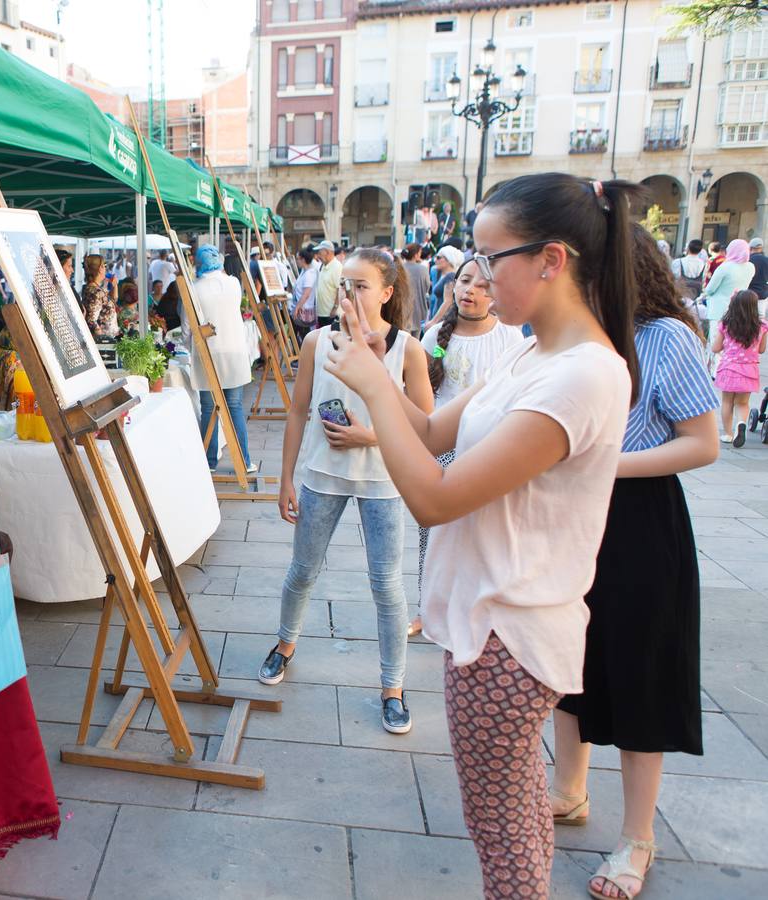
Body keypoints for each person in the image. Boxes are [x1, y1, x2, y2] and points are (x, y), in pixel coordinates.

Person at [322, 174, 637, 897]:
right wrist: (384, 365)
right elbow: (432, 430)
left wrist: (373, 385)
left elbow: (434, 497)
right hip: (491, 621)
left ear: (552, 260)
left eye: (493, 257)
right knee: (516, 820)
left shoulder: (582, 375)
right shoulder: (537, 354)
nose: (479, 275)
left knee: (503, 842)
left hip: (507, 636)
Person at [549, 226, 720, 900]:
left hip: (639, 517)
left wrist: (606, 464)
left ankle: (638, 836)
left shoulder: (664, 336)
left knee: (639, 672)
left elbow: (702, 443)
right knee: (567, 655)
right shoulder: (582, 337)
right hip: (577, 513)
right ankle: (568, 789)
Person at [260, 247, 434, 739]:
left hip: (382, 479)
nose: (351, 294)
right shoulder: (318, 341)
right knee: (302, 570)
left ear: (386, 292)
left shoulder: (408, 349)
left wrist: (371, 435)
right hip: (322, 475)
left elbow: (426, 427)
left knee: (386, 585)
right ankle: (285, 644)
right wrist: (286, 476)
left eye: (362, 286)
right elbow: (297, 412)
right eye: (345, 284)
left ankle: (392, 687)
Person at [409, 260, 525, 637]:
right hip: (442, 447)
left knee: (483, 533)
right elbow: (422, 398)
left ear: (496, 295)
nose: (469, 291)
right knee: (434, 533)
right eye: (463, 281)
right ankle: (428, 607)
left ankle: (478, 606)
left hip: (491, 450)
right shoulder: (433, 339)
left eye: (482, 285)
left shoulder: (511, 337)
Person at [189, 245, 256, 474]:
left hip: (209, 352)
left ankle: (210, 462)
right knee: (235, 406)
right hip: (234, 350)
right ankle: (244, 461)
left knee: (209, 407)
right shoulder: (233, 284)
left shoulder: (194, 288)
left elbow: (189, 326)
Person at [712, 289, 767, 447]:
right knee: (743, 403)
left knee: (727, 402)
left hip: (729, 368)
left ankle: (728, 434)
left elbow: (716, 348)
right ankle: (741, 424)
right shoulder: (761, 326)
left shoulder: (726, 324)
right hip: (749, 370)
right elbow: (762, 349)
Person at [698, 238, 753, 327]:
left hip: (718, 310)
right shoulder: (751, 267)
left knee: (715, 338)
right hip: (739, 308)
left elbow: (710, 290)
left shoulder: (724, 267)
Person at [423, 245, 465, 328]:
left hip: (442, 322)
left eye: (438, 257)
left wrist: (433, 322)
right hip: (435, 317)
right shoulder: (438, 273)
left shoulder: (451, 276)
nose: (435, 260)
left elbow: (448, 301)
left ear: (449, 260)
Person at [81, 255, 117, 340]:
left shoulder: (96, 289)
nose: (105, 269)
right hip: (103, 341)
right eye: (104, 266)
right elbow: (91, 320)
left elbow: (113, 300)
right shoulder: (94, 292)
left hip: (107, 338)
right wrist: (102, 339)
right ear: (100, 269)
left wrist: (114, 286)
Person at [401, 243, 432, 333]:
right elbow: (427, 287)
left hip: (402, 307)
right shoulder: (423, 269)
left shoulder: (399, 267)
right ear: (416, 255)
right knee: (416, 339)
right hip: (419, 308)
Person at [313, 241, 342, 329]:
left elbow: (339, 289)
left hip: (331, 314)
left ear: (328, 252)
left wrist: (335, 308)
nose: (318, 256)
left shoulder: (337, 267)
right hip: (322, 312)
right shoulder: (323, 266)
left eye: (320, 253)